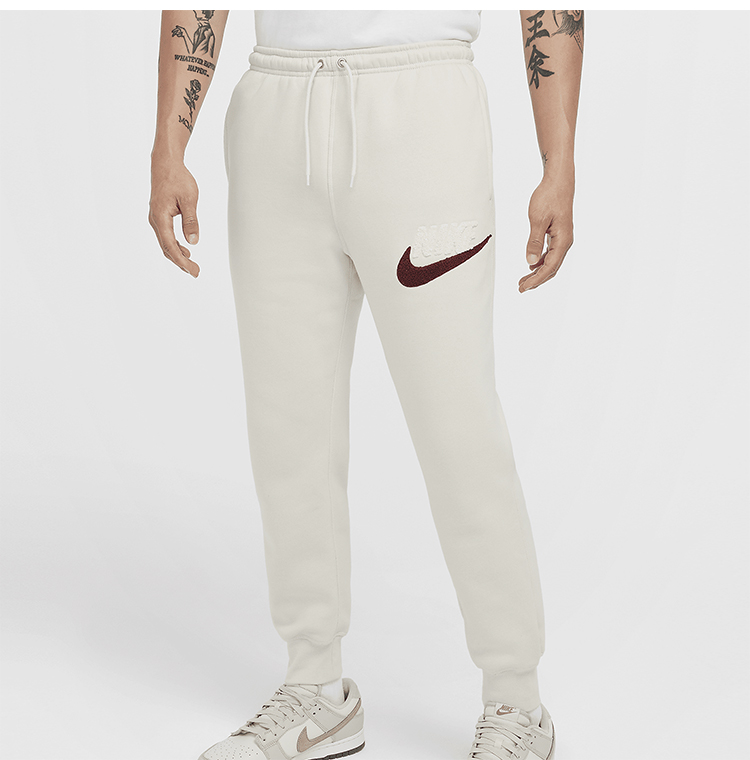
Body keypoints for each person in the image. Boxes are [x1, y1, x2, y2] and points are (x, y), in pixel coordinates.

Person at [149, 10, 582, 760]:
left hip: (422, 109)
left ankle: (517, 699)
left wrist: (560, 159)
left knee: (457, 424)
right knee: (289, 429)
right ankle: (315, 688)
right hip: (274, 111)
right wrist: (169, 142)